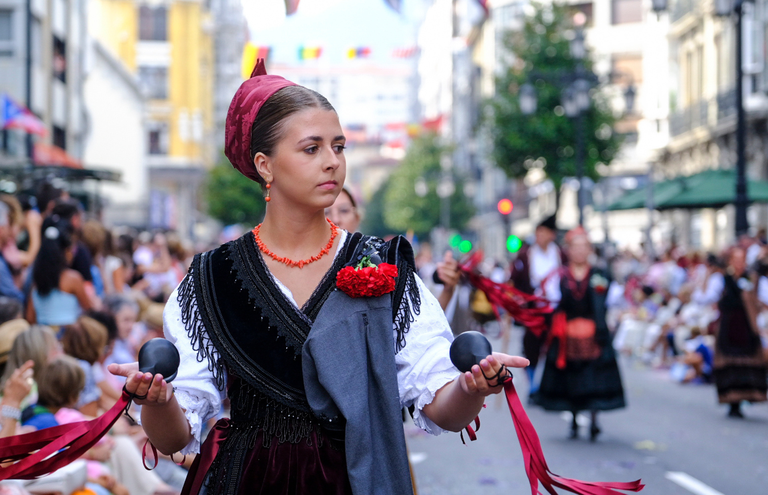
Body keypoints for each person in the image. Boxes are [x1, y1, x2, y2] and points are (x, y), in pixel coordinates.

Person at [108, 60, 528, 495]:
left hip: (357, 478)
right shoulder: (211, 277)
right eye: (312, 149)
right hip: (249, 481)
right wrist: (158, 400)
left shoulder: (381, 262)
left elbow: (442, 408)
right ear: (265, 165)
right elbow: (174, 438)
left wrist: (472, 387)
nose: (332, 162)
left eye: (339, 147)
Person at [533, 227, 626, 441]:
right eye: (576, 247)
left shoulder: (600, 274)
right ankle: (574, 419)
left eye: (584, 247)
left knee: (595, 376)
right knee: (571, 377)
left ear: (590, 250)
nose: (580, 251)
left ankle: (594, 419)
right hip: (568, 335)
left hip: (594, 334)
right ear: (569, 250)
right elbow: (550, 301)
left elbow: (612, 300)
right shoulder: (560, 276)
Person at [509, 214, 566, 387]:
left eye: (544, 232)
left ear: (552, 235)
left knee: (555, 346)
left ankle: (552, 384)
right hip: (534, 309)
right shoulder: (525, 255)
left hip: (556, 308)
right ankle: (533, 384)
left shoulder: (561, 255)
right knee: (531, 346)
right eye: (538, 232)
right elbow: (514, 280)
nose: (539, 236)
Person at [712, 247, 767, 418]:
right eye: (736, 260)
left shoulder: (751, 279)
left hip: (746, 326)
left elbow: (760, 300)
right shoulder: (722, 279)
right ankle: (732, 402)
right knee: (729, 363)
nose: (739, 263)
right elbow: (710, 298)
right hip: (728, 326)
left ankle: (746, 396)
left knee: (748, 362)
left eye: (742, 260)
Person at [26, 217, 92, 326]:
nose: (72, 254)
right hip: (68, 334)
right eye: (71, 250)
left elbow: (30, 318)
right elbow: (88, 308)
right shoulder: (73, 278)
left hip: (43, 334)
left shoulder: (36, 283)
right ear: (65, 252)